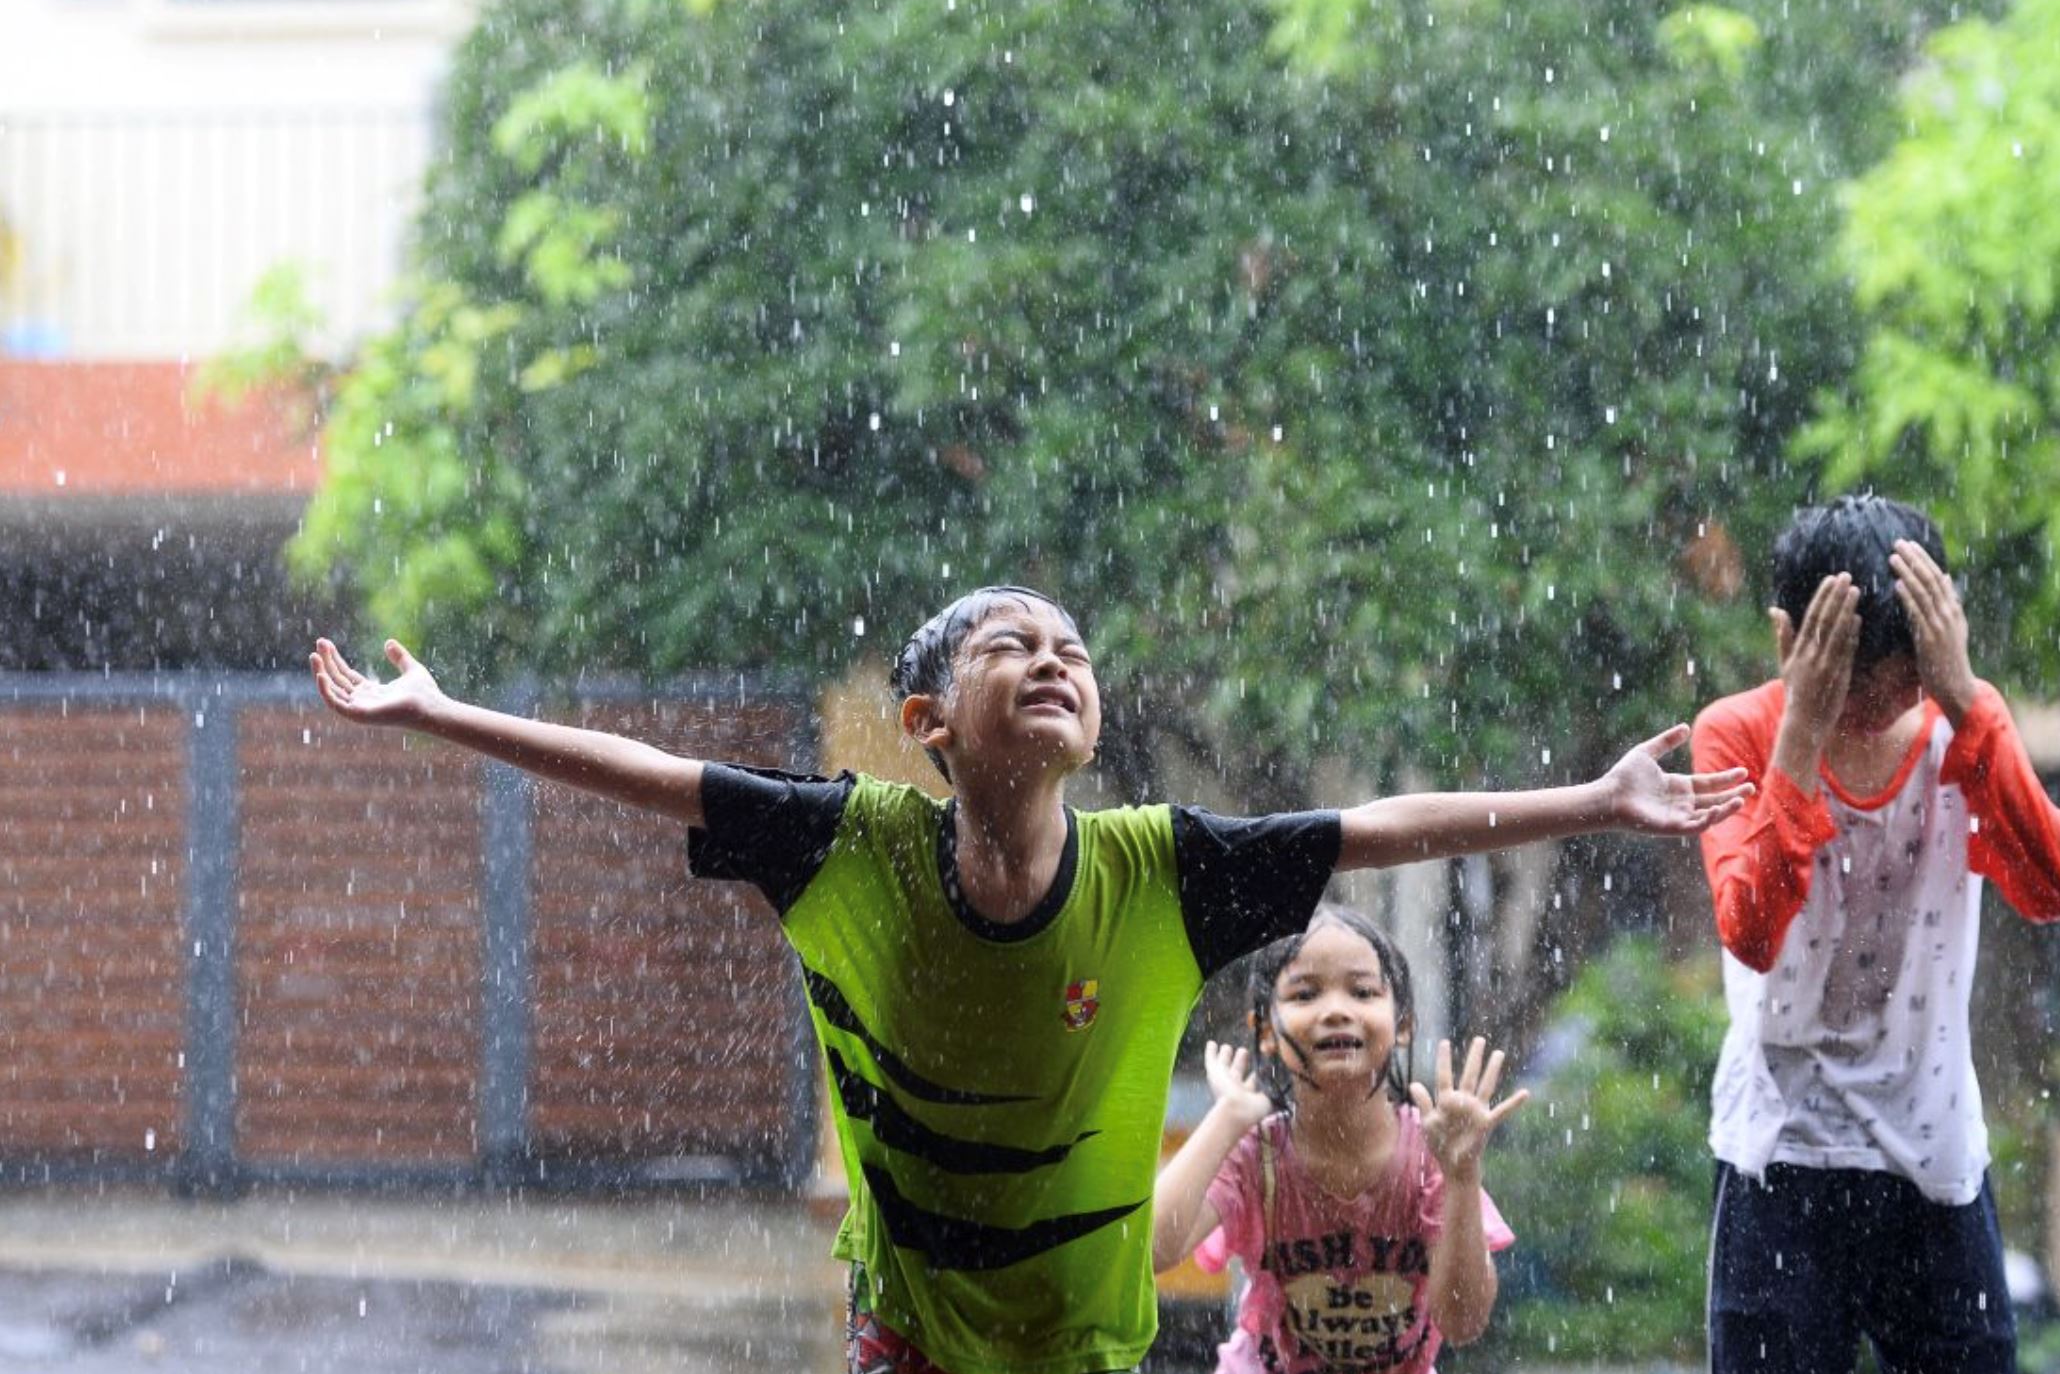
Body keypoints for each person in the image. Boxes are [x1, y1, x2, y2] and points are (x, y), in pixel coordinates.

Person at [309, 584, 1753, 1374]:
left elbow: (1376, 828)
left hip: (1084, 1351)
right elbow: (651, 780)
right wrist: (442, 715)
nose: (1055, 656)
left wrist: (1593, 798)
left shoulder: (1160, 869)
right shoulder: (847, 850)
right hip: (915, 1340)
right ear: (930, 720)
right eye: (1014, 643)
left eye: (1073, 646)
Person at [1689, 495, 2060, 1374]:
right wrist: (1800, 735)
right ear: (1788, 638)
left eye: (1901, 672)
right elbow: (1751, 932)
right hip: (1780, 1151)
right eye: (1853, 673)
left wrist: (1963, 696)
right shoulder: (1740, 732)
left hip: (1933, 1146)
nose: (1878, 702)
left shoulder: (1964, 726)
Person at [1152, 905, 1524, 1374]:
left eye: (1363, 991)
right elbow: (1150, 1252)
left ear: (1404, 1023)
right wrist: (1228, 1117)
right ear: (1265, 1032)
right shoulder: (1255, 1156)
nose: (1336, 1010)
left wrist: (1463, 1176)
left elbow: (1464, 1321)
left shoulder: (1432, 1155)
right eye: (1306, 993)